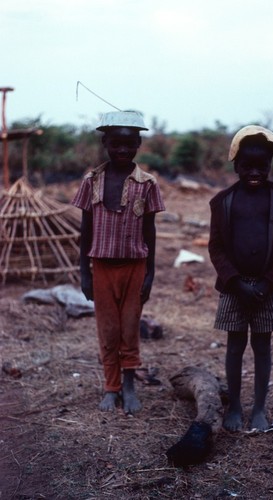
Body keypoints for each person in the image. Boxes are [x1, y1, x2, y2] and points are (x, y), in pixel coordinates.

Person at [72, 110, 165, 414]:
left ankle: (129, 385)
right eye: (115, 144)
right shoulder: (91, 180)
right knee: (107, 329)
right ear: (105, 144)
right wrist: (83, 274)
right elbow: (85, 229)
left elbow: (149, 231)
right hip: (101, 266)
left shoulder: (147, 183)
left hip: (134, 267)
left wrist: (151, 273)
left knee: (129, 328)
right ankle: (111, 387)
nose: (122, 150)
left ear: (138, 144)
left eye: (128, 144)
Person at [208, 125, 273, 432]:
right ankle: (234, 407)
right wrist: (235, 282)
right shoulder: (222, 202)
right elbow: (216, 248)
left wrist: (268, 283)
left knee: (262, 346)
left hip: (267, 289)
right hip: (234, 288)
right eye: (247, 166)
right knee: (234, 347)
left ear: (271, 165)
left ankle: (259, 408)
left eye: (263, 166)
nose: (255, 172)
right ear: (236, 165)